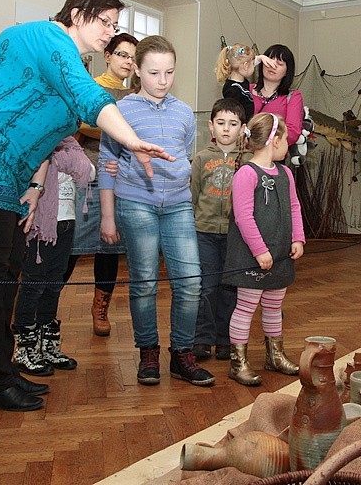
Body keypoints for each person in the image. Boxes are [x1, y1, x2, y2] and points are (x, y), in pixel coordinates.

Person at [0, 0, 172, 413]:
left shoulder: (67, 61)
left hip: (12, 181)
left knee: (5, 277)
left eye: (116, 25)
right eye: (104, 22)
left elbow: (49, 137)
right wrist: (133, 142)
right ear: (77, 14)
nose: (110, 32)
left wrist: (37, 185)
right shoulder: (47, 37)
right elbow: (90, 98)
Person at [99, 35, 215, 387]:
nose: (162, 81)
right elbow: (107, 161)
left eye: (169, 72)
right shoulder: (119, 111)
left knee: (191, 282)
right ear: (136, 69)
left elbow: (185, 156)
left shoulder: (183, 112)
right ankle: (148, 351)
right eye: (153, 73)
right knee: (144, 281)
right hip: (137, 204)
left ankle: (182, 354)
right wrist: (107, 215)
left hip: (178, 204)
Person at [64, 32, 139, 337]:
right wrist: (120, 131)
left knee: (110, 249)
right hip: (89, 178)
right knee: (72, 246)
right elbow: (80, 122)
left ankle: (100, 309)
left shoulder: (134, 94)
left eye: (133, 57)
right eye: (122, 54)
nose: (127, 61)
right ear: (107, 56)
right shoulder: (90, 85)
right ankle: (46, 309)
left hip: (123, 181)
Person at [222, 113, 305, 386]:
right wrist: (259, 251)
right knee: (246, 308)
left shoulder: (286, 174)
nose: (288, 146)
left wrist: (298, 238)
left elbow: (294, 207)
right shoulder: (246, 173)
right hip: (252, 256)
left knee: (274, 306)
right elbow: (243, 217)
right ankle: (239, 362)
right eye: (286, 141)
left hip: (279, 254)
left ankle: (275, 356)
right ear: (275, 140)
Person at [12, 137, 94, 376]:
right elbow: (40, 165)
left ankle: (48, 345)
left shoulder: (72, 147)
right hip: (40, 226)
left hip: (66, 223)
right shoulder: (38, 143)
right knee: (33, 284)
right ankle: (25, 348)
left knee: (54, 283)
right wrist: (60, 159)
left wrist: (62, 157)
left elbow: (88, 173)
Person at [190, 98, 246, 361]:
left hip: (236, 236)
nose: (226, 129)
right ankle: (202, 338)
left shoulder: (247, 161)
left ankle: (226, 339)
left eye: (233, 124)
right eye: (221, 123)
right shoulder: (201, 159)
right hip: (204, 232)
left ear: (242, 128)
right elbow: (193, 196)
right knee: (206, 286)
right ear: (211, 127)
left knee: (229, 288)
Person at [252, 44, 303, 146]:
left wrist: (260, 143)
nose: (273, 65)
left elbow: (292, 132)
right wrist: (256, 59)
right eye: (269, 61)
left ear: (287, 72)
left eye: (279, 63)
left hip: (273, 156)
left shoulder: (293, 96)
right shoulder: (244, 89)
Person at [217, 42, 271, 122]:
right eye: (253, 64)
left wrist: (261, 58)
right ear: (245, 66)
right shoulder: (232, 89)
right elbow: (232, 115)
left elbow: (251, 60)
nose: (254, 66)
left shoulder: (242, 81)